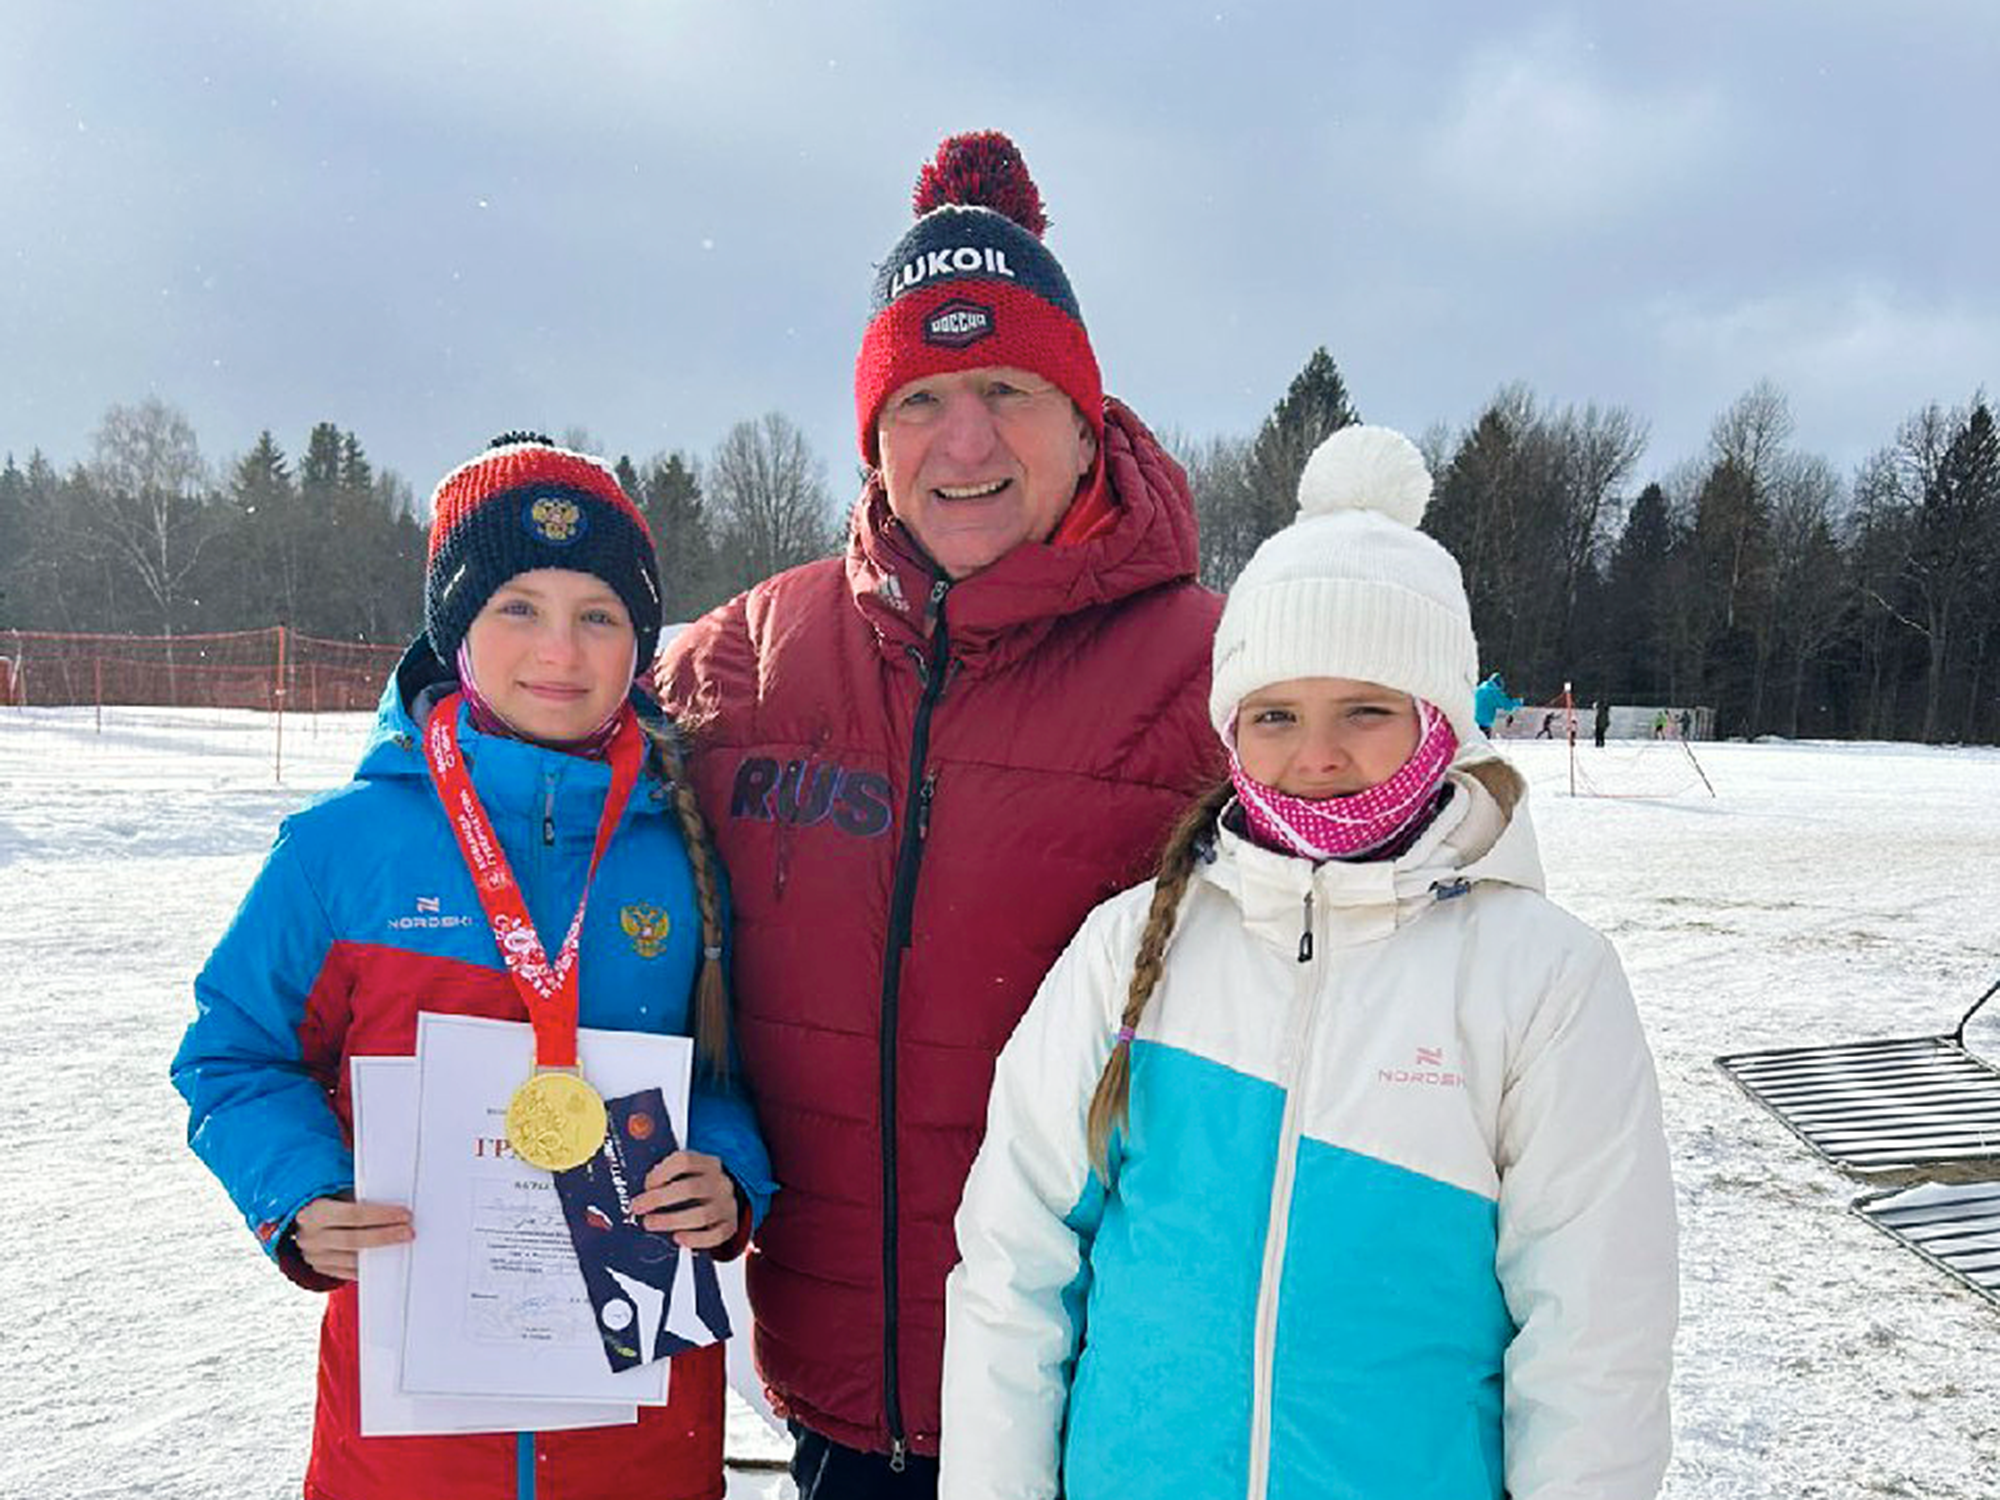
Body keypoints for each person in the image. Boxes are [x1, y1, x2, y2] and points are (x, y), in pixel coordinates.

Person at [941, 426, 1677, 1500]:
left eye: (1365, 712)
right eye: (1275, 715)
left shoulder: (1538, 979)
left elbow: (1593, 1335)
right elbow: (1014, 1268)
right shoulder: (1127, 947)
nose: (1315, 755)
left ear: (1439, 724)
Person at [656, 131, 1223, 1495]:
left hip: (1116, 1398)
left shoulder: (1229, 675)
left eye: (1009, 389)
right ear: (871, 437)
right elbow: (522, 806)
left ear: (1089, 417)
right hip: (845, 1412)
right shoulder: (739, 667)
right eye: (920, 400)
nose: (963, 441)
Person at [173, 434, 775, 1500]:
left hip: (639, 1418)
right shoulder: (342, 849)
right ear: (454, 630)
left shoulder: (681, 843)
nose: (561, 649)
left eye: (599, 614)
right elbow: (233, 1054)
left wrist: (725, 1174)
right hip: (409, 1426)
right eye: (517, 608)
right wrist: (301, 1191)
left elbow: (731, 1071)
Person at [1473, 669, 1521, 735]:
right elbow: (1507, 705)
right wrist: (1518, 702)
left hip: (1473, 723)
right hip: (1484, 724)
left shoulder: (1480, 688)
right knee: (1482, 744)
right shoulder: (1493, 691)